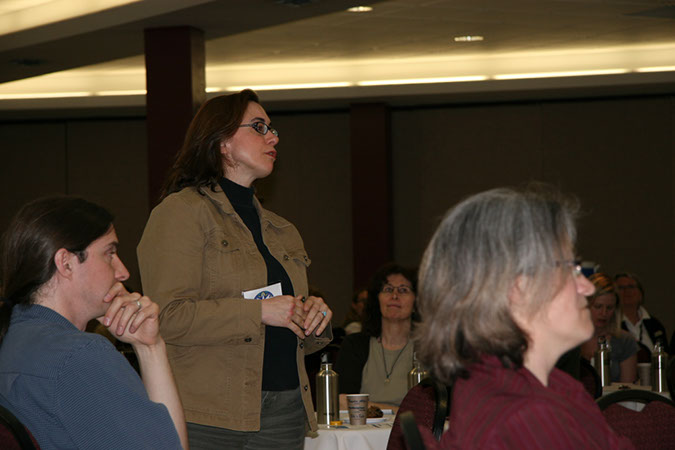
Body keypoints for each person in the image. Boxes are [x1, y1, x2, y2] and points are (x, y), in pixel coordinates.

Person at [137, 89, 333, 449]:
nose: (273, 137)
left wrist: (311, 316)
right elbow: (167, 317)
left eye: (272, 129)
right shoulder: (181, 213)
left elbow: (290, 329)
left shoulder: (282, 230)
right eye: (259, 127)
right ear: (222, 142)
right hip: (211, 415)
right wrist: (259, 312)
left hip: (286, 409)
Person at [414, 187, 632, 448]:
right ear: (518, 289)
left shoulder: (545, 385)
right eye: (570, 269)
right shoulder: (528, 416)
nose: (587, 287)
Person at [0, 196, 187, 450]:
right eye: (110, 253)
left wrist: (146, 344)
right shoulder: (80, 356)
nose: (123, 272)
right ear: (66, 263)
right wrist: (152, 349)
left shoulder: (12, 338)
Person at [335, 263, 417, 408]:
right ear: (377, 299)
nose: (394, 296)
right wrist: (399, 412)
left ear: (416, 302)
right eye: (388, 289)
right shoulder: (355, 345)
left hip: (409, 427)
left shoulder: (429, 349)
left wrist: (367, 407)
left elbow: (435, 410)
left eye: (403, 290)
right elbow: (341, 401)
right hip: (363, 426)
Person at [581, 272, 637, 383]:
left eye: (609, 308)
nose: (604, 313)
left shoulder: (625, 341)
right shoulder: (569, 339)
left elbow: (627, 389)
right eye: (598, 307)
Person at [615, 272, 670, 354]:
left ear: (640, 293)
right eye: (621, 288)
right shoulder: (610, 324)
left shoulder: (655, 325)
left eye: (631, 287)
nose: (627, 291)